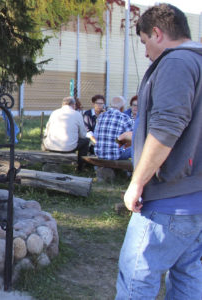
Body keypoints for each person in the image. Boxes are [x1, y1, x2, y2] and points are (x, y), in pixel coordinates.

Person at [115, 4, 202, 299]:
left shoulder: (177, 63)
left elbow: (167, 128)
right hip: (196, 201)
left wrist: (136, 184)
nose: (145, 51)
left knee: (137, 278)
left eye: (143, 42)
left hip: (168, 203)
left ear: (157, 33)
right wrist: (137, 137)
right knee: (188, 276)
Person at [42, 96, 89, 171]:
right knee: (86, 141)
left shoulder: (54, 112)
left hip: (50, 146)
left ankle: (45, 161)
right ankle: (80, 167)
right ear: (74, 105)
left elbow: (46, 131)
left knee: (44, 140)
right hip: (69, 148)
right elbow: (82, 135)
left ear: (62, 104)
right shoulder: (77, 114)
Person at [93, 96, 133, 160]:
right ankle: (133, 169)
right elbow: (131, 138)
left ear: (110, 105)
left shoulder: (101, 116)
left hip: (99, 153)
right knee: (138, 147)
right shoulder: (124, 117)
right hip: (116, 155)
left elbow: (95, 135)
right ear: (122, 107)